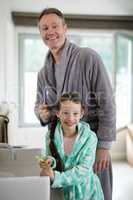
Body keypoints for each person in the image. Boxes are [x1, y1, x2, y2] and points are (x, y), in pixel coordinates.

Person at [35, 7, 116, 200]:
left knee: (97, 193)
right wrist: (42, 114)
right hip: (60, 148)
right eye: (44, 28)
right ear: (41, 34)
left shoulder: (88, 57)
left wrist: (104, 146)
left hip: (91, 144)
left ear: (65, 28)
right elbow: (39, 106)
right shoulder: (43, 73)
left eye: (55, 26)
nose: (50, 32)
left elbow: (108, 104)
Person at [39, 92, 104, 200]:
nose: (70, 118)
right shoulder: (50, 136)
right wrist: (49, 162)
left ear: (81, 114)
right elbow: (52, 157)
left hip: (87, 193)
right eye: (65, 113)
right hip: (64, 193)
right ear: (58, 113)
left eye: (75, 113)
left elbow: (84, 170)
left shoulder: (90, 138)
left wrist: (56, 177)